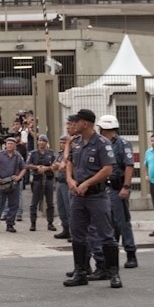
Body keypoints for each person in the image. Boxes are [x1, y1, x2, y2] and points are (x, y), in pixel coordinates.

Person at [63, 109, 121, 288]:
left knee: (106, 235)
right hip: (78, 196)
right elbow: (70, 163)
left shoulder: (102, 143)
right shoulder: (76, 142)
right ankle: (80, 271)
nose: (74, 124)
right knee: (78, 235)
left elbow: (107, 169)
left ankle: (113, 273)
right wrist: (70, 180)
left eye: (77, 121)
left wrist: (87, 183)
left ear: (85, 123)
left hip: (96, 195)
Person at [98, 114, 139, 270]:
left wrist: (126, 187)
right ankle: (111, 255)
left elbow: (129, 165)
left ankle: (130, 253)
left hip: (118, 187)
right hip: (106, 188)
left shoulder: (122, 144)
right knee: (110, 224)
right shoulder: (104, 143)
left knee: (122, 222)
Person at [0, 137, 26, 233]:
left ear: (15, 145)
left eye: (12, 144)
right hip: (2, 182)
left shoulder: (18, 156)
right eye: (8, 143)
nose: (10, 145)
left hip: (14, 184)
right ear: (6, 145)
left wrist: (18, 177)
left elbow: (24, 168)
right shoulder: (0, 155)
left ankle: (10, 224)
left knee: (14, 204)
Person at [26, 134, 57, 231]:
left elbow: (55, 165)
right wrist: (37, 167)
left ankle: (50, 223)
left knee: (50, 202)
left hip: (48, 179)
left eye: (43, 141)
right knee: (34, 202)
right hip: (37, 179)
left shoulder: (51, 153)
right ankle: (33, 223)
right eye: (40, 140)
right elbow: (27, 165)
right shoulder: (33, 153)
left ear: (46, 142)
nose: (41, 142)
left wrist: (46, 168)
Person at [53, 132, 72, 239]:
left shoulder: (71, 154)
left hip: (66, 184)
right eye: (61, 143)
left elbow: (66, 167)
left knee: (69, 208)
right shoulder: (60, 154)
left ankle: (72, 231)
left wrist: (60, 166)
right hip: (59, 182)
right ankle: (65, 229)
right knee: (61, 208)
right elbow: (54, 166)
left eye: (64, 143)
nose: (62, 145)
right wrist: (58, 166)